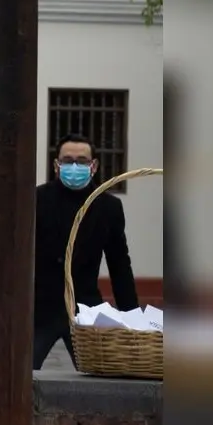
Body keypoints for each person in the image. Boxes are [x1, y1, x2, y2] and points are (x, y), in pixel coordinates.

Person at [33, 133, 138, 370]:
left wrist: (132, 316)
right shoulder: (37, 199)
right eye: (67, 160)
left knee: (100, 377)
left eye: (81, 161)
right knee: (21, 375)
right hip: (40, 309)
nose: (74, 166)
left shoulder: (108, 206)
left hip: (86, 310)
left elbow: (119, 263)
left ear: (93, 165)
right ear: (56, 164)